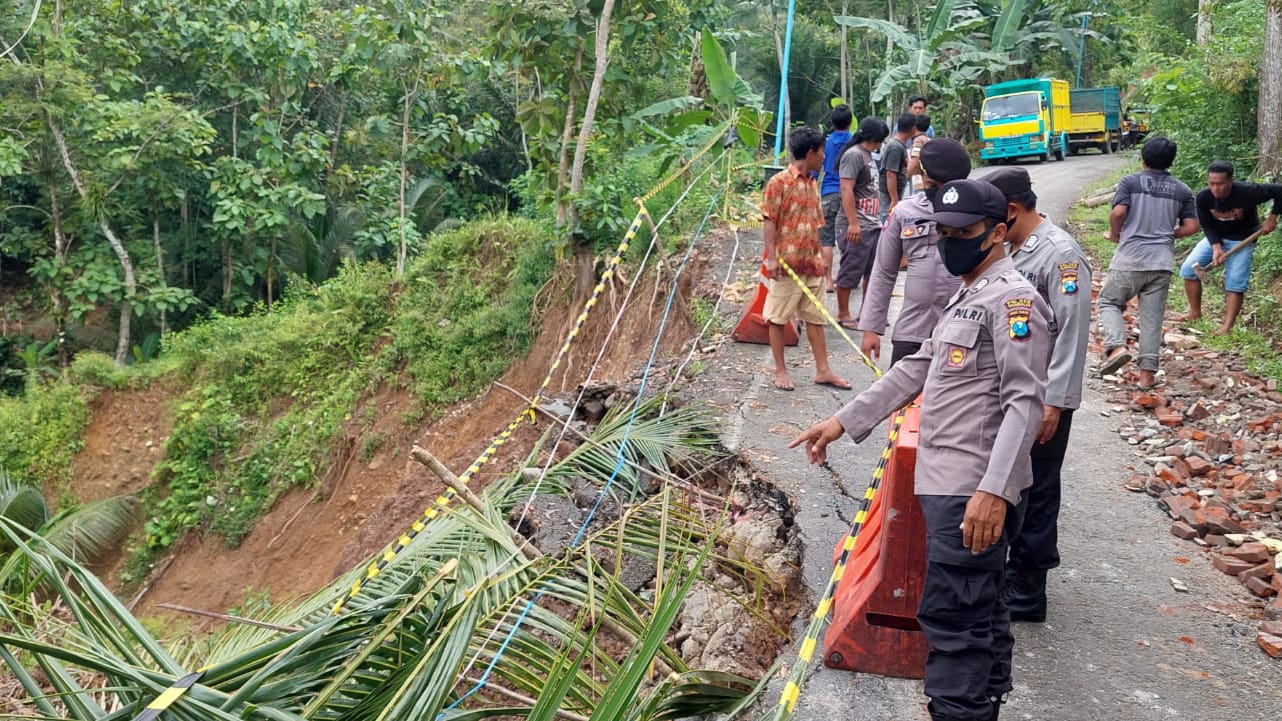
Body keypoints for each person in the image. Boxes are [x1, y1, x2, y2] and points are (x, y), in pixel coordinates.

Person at [791, 179, 1051, 721]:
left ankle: (960, 711)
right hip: (948, 485)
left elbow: (1025, 404)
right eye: (943, 233)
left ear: (998, 232)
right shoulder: (969, 292)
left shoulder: (1013, 300)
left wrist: (993, 490)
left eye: (965, 233)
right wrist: (843, 421)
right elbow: (918, 368)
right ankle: (983, 704)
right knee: (982, 611)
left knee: (953, 620)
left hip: (973, 491)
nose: (951, 242)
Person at [987, 167, 1092, 623]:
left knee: (1038, 487)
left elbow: (1072, 334)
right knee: (1010, 480)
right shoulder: (1014, 250)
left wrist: (1055, 402)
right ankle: (1009, 570)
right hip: (1016, 393)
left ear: (1011, 210)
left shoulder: (1060, 255)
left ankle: (1029, 588)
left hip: (1044, 399)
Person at [1097, 136, 1199, 390]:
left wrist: (1114, 234)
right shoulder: (1182, 190)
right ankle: (1146, 378)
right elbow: (1192, 226)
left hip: (1130, 258)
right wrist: (1167, 233)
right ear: (1171, 161)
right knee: (1151, 320)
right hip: (1161, 262)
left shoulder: (1130, 182)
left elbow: (1119, 212)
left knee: (1109, 301)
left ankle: (1117, 346)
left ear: (1143, 159)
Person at [858, 138, 971, 365]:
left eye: (947, 187)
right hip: (914, 330)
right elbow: (883, 271)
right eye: (933, 187)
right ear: (921, 173)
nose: (940, 194)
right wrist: (871, 328)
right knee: (900, 398)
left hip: (963, 332)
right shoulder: (904, 212)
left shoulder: (977, 213)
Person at [761, 127, 852, 392]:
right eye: (822, 151)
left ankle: (823, 370)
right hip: (786, 265)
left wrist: (823, 261)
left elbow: (817, 225)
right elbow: (769, 220)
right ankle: (780, 370)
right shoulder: (779, 182)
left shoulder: (813, 183)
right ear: (811, 153)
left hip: (811, 264)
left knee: (816, 318)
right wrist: (772, 259)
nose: (825, 156)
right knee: (777, 318)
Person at [1176, 160, 1282, 334]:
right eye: (1212, 183)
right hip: (1217, 238)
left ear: (1231, 181)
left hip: (1244, 239)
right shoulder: (1204, 197)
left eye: (1220, 184)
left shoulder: (1248, 192)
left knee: (1235, 282)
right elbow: (1208, 226)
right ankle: (1195, 313)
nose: (1215, 189)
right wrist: (1216, 247)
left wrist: (1272, 218)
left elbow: (1279, 190)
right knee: (1189, 270)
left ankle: (1227, 326)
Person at [835, 117, 890, 329]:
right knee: (851, 269)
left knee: (871, 271)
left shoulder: (867, 156)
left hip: (872, 224)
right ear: (874, 138)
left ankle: (867, 313)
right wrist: (853, 223)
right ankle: (842, 313)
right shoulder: (854, 155)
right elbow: (846, 189)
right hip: (858, 224)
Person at [819, 105, 854, 292]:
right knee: (850, 235)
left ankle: (828, 281)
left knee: (826, 239)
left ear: (832, 123)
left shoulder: (826, 143)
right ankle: (846, 277)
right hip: (850, 193)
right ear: (850, 122)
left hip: (828, 193)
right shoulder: (854, 141)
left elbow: (817, 169)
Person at [878, 113, 915, 223]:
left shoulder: (899, 145)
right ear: (913, 129)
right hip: (888, 193)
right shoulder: (895, 147)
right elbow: (890, 173)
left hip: (894, 191)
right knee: (887, 219)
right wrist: (894, 199)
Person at [905, 114, 933, 193]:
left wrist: (905, 178)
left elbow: (915, 162)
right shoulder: (928, 140)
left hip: (919, 180)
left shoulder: (918, 141)